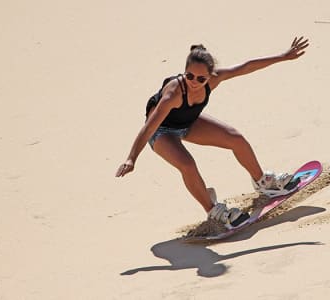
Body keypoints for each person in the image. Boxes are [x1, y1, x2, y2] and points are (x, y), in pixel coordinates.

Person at [115, 37, 309, 227]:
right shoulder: (173, 94)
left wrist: (283, 56)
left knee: (236, 138)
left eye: (201, 78)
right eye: (189, 76)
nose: (194, 81)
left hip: (187, 122)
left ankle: (263, 182)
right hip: (161, 131)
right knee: (187, 165)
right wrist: (131, 158)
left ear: (210, 75)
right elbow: (149, 126)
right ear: (184, 72)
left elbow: (246, 67)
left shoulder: (214, 80)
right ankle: (213, 211)